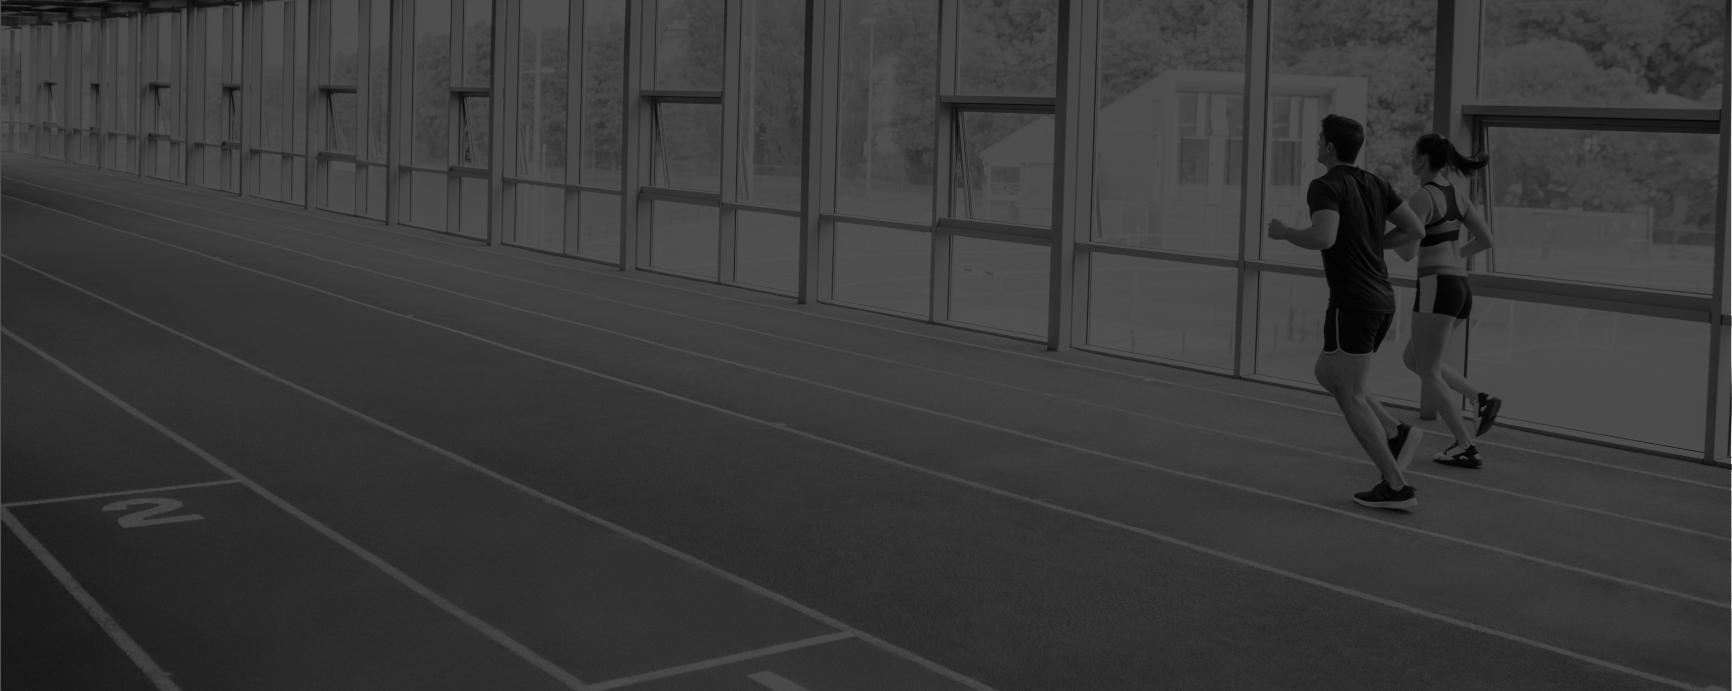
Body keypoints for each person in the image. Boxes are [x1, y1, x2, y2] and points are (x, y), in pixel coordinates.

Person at [1267, 114, 1428, 510]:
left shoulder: (1324, 186)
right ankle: (1395, 430)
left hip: (1353, 302)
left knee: (1350, 393)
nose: (1316, 144)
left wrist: (1285, 232)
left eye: (1319, 138)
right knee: (1328, 373)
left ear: (1330, 148)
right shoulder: (1376, 183)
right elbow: (1415, 231)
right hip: (1380, 299)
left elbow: (1324, 236)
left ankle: (1395, 486)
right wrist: (1373, 243)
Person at [1396, 133, 1503, 469]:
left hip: (1435, 286)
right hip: (1459, 286)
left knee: (1427, 369)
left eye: (1413, 155)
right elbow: (1485, 240)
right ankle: (1478, 398)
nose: (1410, 160)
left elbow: (1407, 252)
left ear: (1423, 160)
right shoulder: (1458, 195)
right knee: (1414, 358)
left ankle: (1465, 444)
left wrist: (1384, 232)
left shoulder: (1421, 198)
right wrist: (1456, 253)